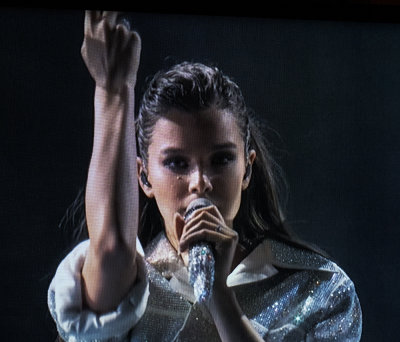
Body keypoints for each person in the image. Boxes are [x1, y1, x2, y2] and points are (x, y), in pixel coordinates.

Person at [48, 10, 362, 342]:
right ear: (143, 177)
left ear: (247, 169)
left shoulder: (321, 290)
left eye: (221, 159)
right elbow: (112, 249)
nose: (200, 182)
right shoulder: (128, 290)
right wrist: (113, 90)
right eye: (177, 164)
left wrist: (217, 293)